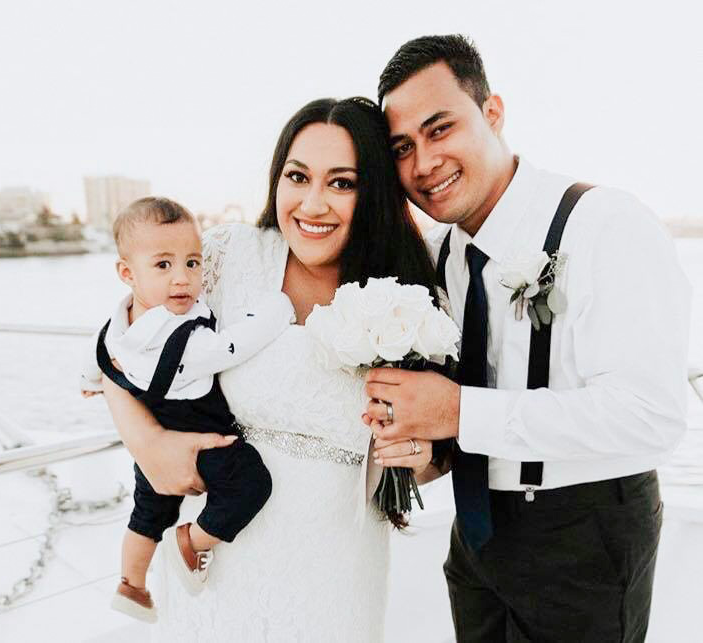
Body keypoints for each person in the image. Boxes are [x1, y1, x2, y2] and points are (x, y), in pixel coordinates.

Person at [364, 35, 691, 642]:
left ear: (492, 113)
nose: (424, 163)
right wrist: (424, 450)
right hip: (475, 540)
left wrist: (460, 412)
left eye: (440, 129)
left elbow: (654, 414)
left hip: (586, 545)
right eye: (403, 147)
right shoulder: (438, 256)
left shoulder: (604, 224)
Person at [100, 97, 439, 641]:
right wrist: (149, 444)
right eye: (297, 177)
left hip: (336, 569)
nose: (313, 203)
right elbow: (120, 352)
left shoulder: (407, 291)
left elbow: (434, 449)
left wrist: (421, 455)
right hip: (211, 560)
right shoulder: (226, 256)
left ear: (373, 190)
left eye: (342, 183)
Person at [80, 197, 294, 622]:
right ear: (127, 273)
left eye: (192, 263)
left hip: (154, 432)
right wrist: (277, 311)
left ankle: (131, 584)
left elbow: (96, 356)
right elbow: (232, 346)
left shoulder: (116, 328)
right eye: (163, 265)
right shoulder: (186, 340)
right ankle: (192, 542)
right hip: (200, 435)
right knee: (251, 483)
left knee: (148, 513)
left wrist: (88, 381)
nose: (182, 278)